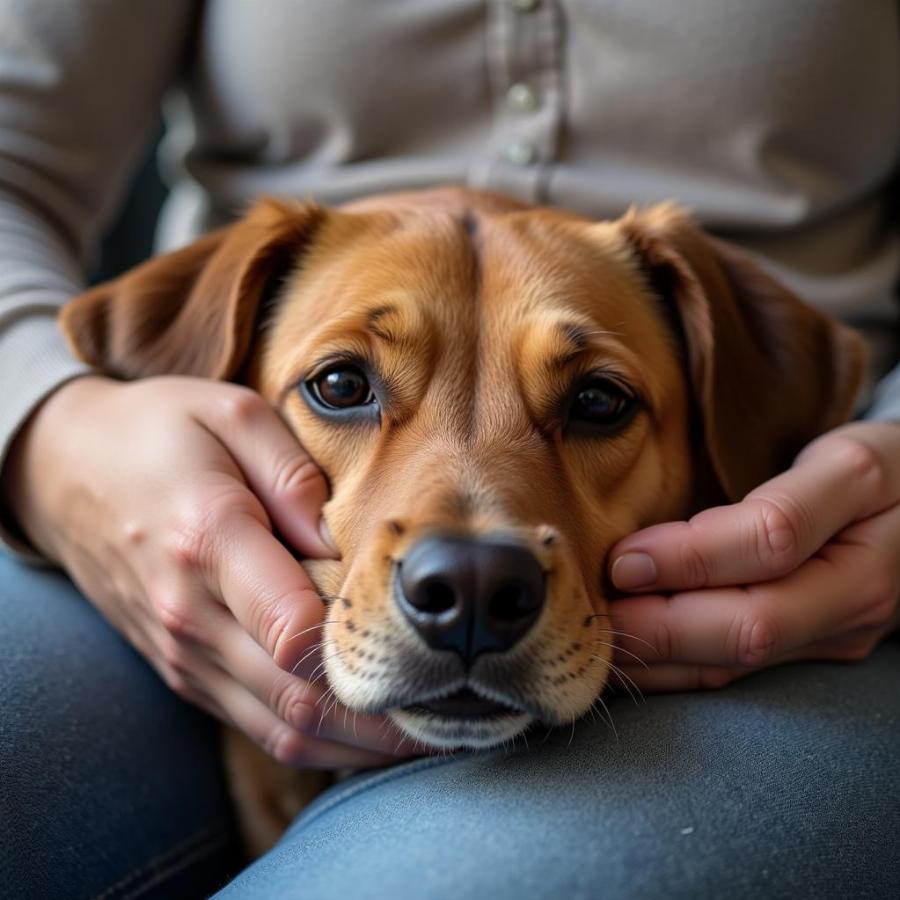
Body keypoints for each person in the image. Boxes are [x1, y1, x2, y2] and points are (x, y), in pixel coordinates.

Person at [1, 2, 898, 897]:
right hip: (150, 546)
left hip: (793, 609)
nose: (466, 558)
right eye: (344, 388)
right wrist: (51, 429)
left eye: (594, 403)